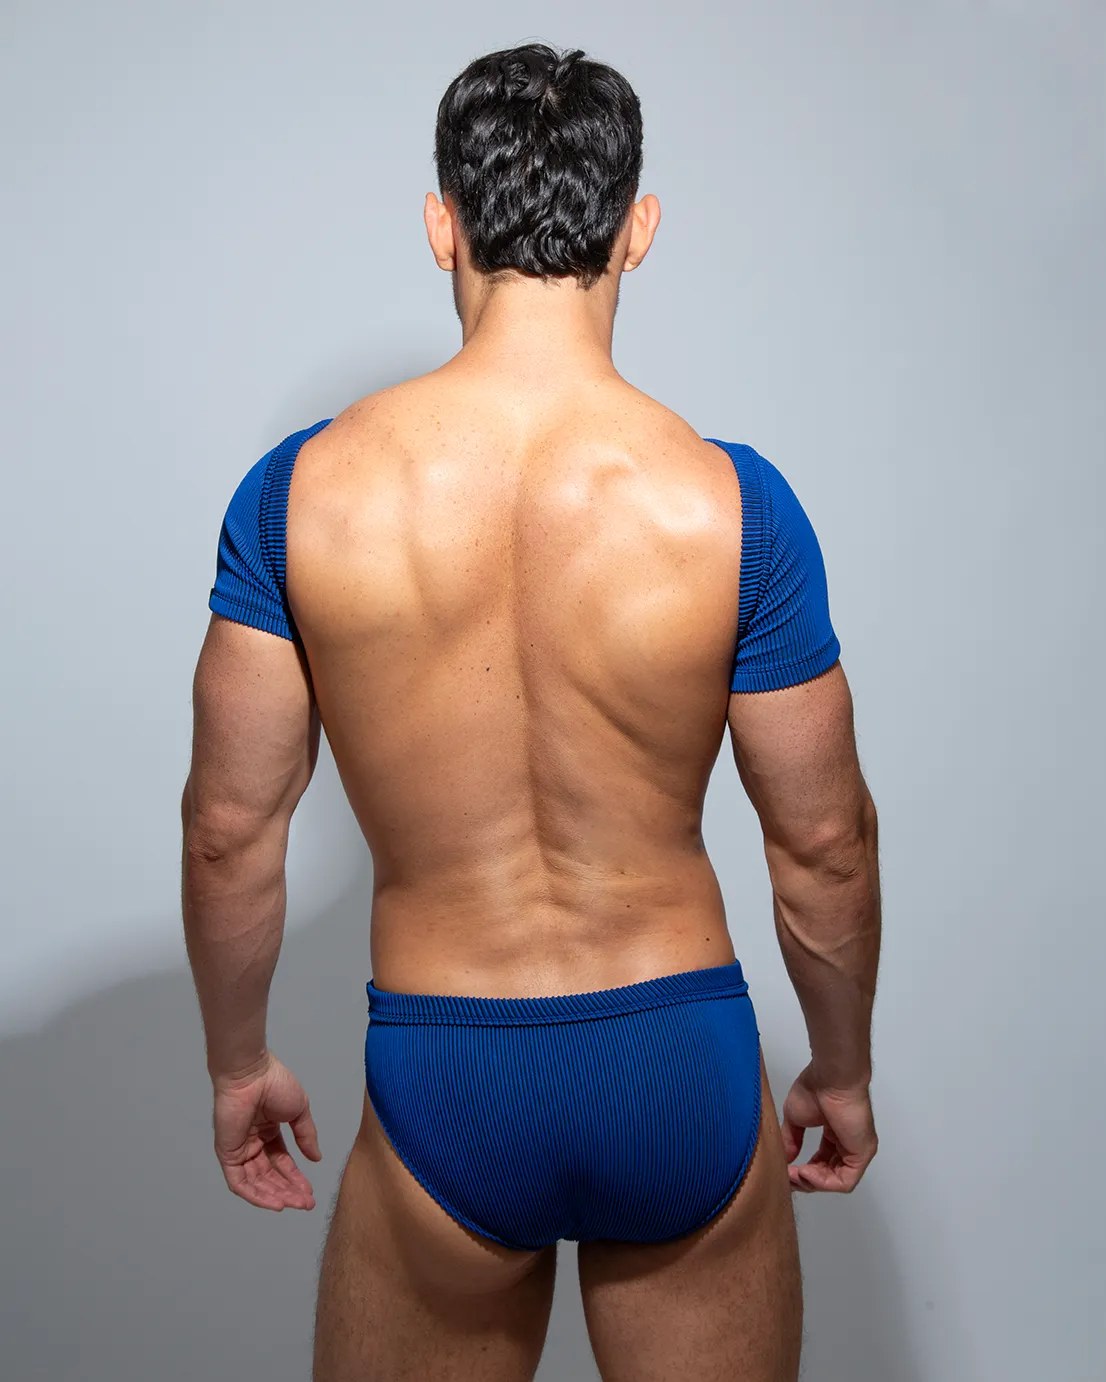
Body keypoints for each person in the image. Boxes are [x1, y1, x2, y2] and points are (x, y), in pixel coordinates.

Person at [181, 42, 881, 1382]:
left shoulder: (301, 495)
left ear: (440, 223)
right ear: (638, 230)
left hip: (447, 1063)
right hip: (673, 1051)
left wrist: (236, 1061)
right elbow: (824, 842)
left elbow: (229, 829)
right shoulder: (732, 507)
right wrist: (839, 1069)